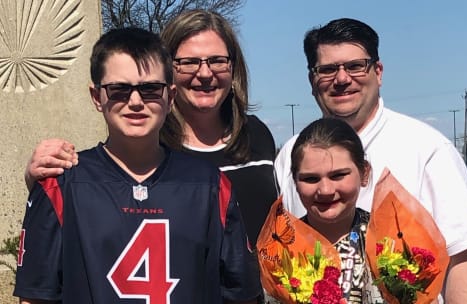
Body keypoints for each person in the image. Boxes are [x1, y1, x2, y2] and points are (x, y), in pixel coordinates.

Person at [14, 27, 260, 303]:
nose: (135, 102)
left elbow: (242, 295)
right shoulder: (60, 185)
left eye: (150, 89)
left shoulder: (210, 186)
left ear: (170, 96)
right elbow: (35, 297)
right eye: (118, 89)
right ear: (97, 97)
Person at [274, 18, 467, 303]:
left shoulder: (427, 148)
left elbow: (465, 254)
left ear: (378, 71)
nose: (341, 79)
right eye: (327, 70)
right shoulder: (290, 154)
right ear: (312, 80)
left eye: (355, 66)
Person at [23, 9, 278, 246]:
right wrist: (36, 178)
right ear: (167, 75)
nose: (204, 73)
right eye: (188, 62)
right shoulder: (146, 142)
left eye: (217, 60)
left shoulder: (256, 134)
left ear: (233, 67)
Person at [290, 118, 382, 303]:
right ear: (294, 181)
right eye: (310, 178)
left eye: (338, 175)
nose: (326, 190)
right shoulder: (281, 248)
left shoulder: (391, 240)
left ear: (364, 173)